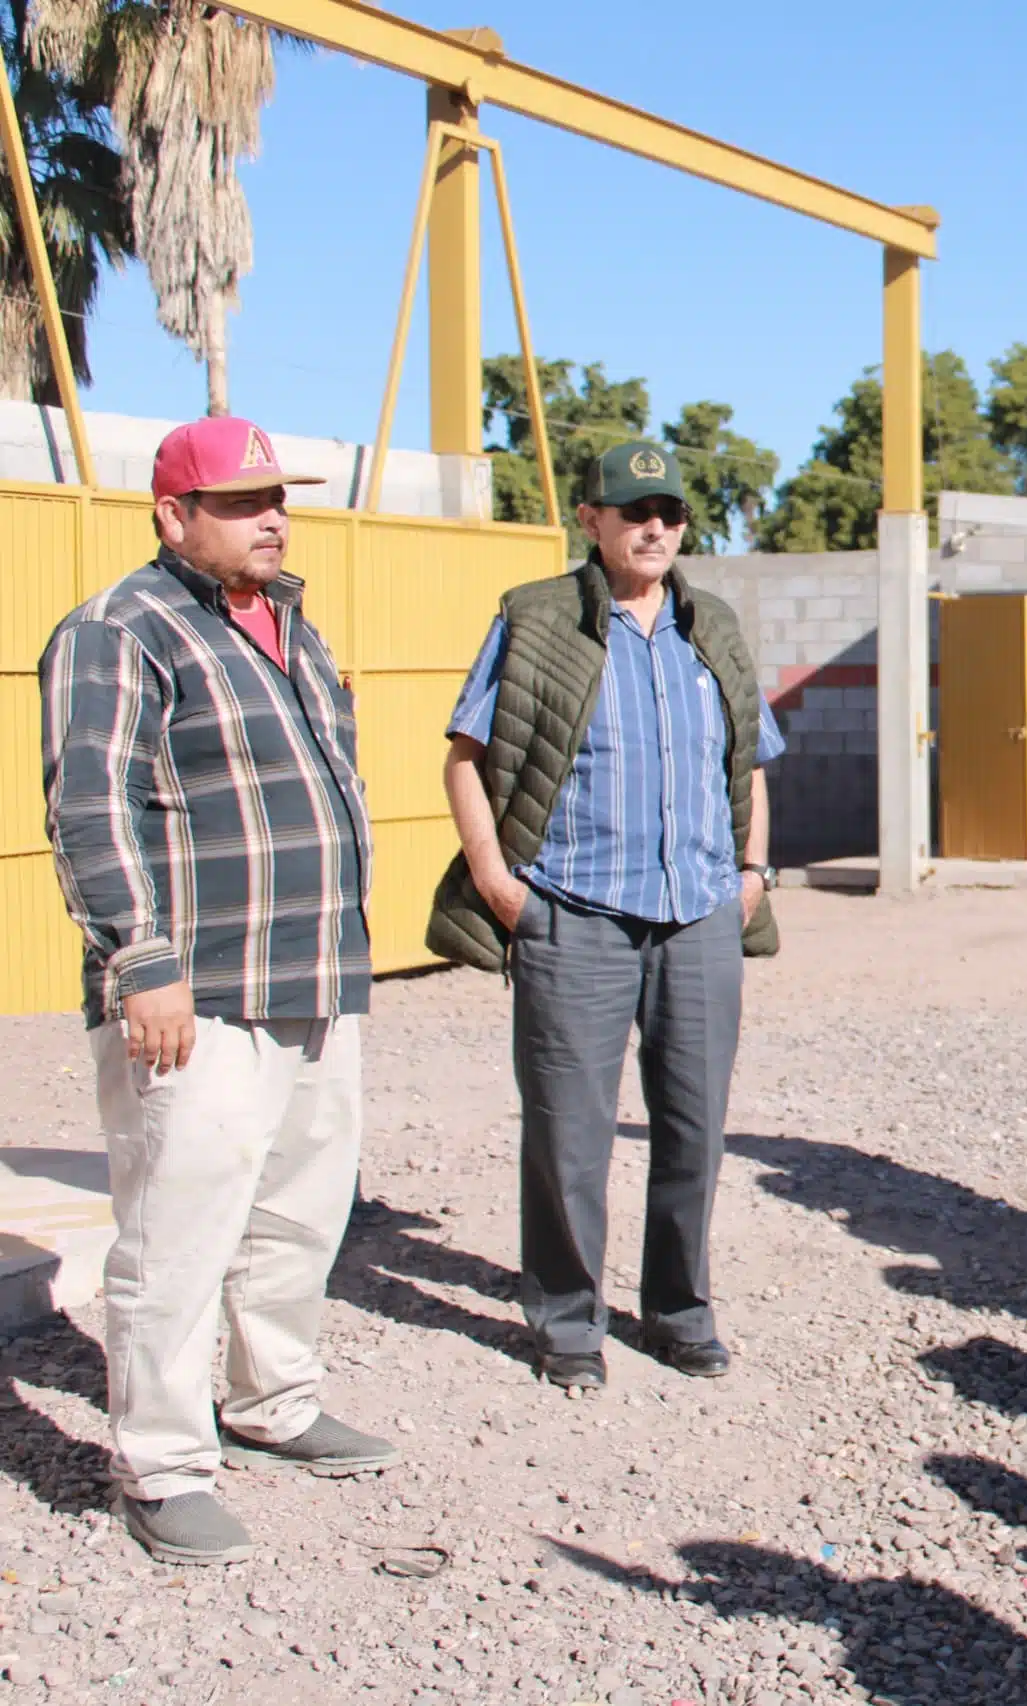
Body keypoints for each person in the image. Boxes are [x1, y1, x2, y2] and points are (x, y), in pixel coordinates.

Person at [41, 416, 396, 1566]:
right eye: (241, 502)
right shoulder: (116, 631)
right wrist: (139, 961)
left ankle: (274, 1400)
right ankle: (161, 1461)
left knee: (301, 1210)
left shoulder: (294, 626)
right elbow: (90, 804)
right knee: (177, 1229)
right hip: (196, 992)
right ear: (172, 515)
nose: (271, 516)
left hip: (314, 974)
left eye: (276, 497)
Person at [432, 441, 786, 1392]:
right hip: (575, 912)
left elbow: (748, 757)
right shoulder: (536, 618)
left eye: (668, 510)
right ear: (590, 521)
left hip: (700, 915)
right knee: (568, 1131)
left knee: (693, 1125)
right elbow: (465, 757)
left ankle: (678, 1311)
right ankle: (567, 1322)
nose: (655, 528)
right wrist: (500, 882)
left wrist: (753, 872)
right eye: (634, 511)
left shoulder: (710, 625)